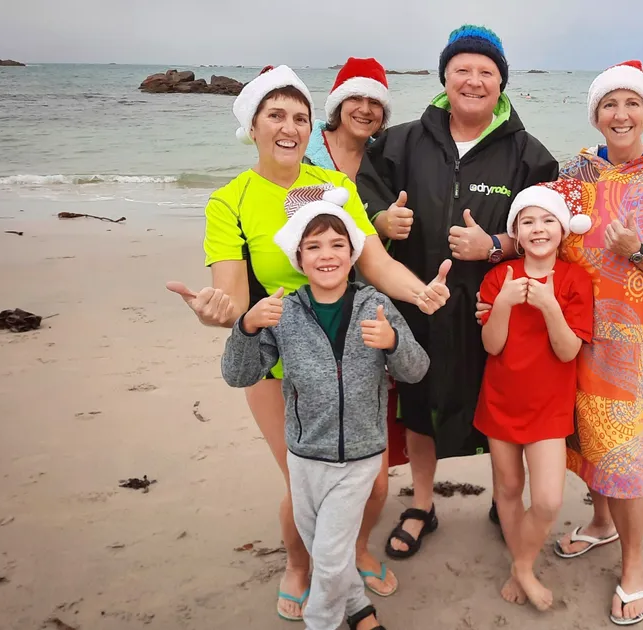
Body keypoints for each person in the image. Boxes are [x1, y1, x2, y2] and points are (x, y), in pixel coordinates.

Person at [165, 65, 451, 621]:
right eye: (276, 115)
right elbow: (228, 297)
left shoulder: (335, 187)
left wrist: (422, 294)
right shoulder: (230, 201)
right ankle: (300, 565)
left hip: (352, 354)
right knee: (304, 488)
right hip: (280, 363)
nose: (290, 126)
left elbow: (376, 264)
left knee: (369, 487)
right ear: (253, 125)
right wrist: (216, 311)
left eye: (300, 116)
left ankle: (353, 549)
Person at [476, 60, 643, 625]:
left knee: (628, 453)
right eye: (610, 104)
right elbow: (542, 222)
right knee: (588, 437)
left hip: (638, 344)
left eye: (631, 104)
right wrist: (491, 246)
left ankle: (633, 565)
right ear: (596, 115)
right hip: (572, 333)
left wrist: (636, 251)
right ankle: (602, 524)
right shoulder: (577, 172)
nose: (620, 115)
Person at [360, 24, 559, 561]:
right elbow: (358, 204)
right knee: (420, 402)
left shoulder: (527, 155)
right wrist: (382, 220)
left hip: (495, 309)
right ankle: (422, 504)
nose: (473, 81)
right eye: (463, 69)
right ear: (444, 76)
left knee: (503, 402)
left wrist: (494, 243)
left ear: (502, 83)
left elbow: (548, 229)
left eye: (486, 72)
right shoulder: (399, 142)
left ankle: (506, 499)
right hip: (418, 301)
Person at [221, 183, 427, 630]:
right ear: (298, 258)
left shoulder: (377, 306)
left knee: (330, 559)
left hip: (360, 456)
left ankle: (324, 622)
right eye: (312, 246)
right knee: (325, 548)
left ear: (354, 251)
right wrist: (247, 326)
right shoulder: (284, 311)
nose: (326, 254)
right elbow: (239, 375)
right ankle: (360, 609)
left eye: (337, 243)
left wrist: (393, 344)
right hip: (304, 458)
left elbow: (416, 370)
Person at [303, 56, 401, 598]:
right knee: (315, 461)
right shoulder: (307, 152)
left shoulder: (385, 157)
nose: (364, 109)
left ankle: (357, 547)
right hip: (315, 316)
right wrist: (374, 224)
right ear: (337, 103)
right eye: (355, 99)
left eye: (375, 103)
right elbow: (292, 219)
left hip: (374, 310)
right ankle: (311, 562)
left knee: (373, 464)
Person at [474, 180, 594, 611]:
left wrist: (548, 304)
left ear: (563, 230)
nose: (538, 229)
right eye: (528, 221)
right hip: (501, 398)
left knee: (546, 500)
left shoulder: (576, 280)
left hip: (549, 405)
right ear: (516, 232)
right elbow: (492, 345)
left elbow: (568, 350)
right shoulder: (496, 277)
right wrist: (504, 301)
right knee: (507, 488)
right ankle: (522, 566)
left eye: (548, 220)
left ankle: (520, 566)